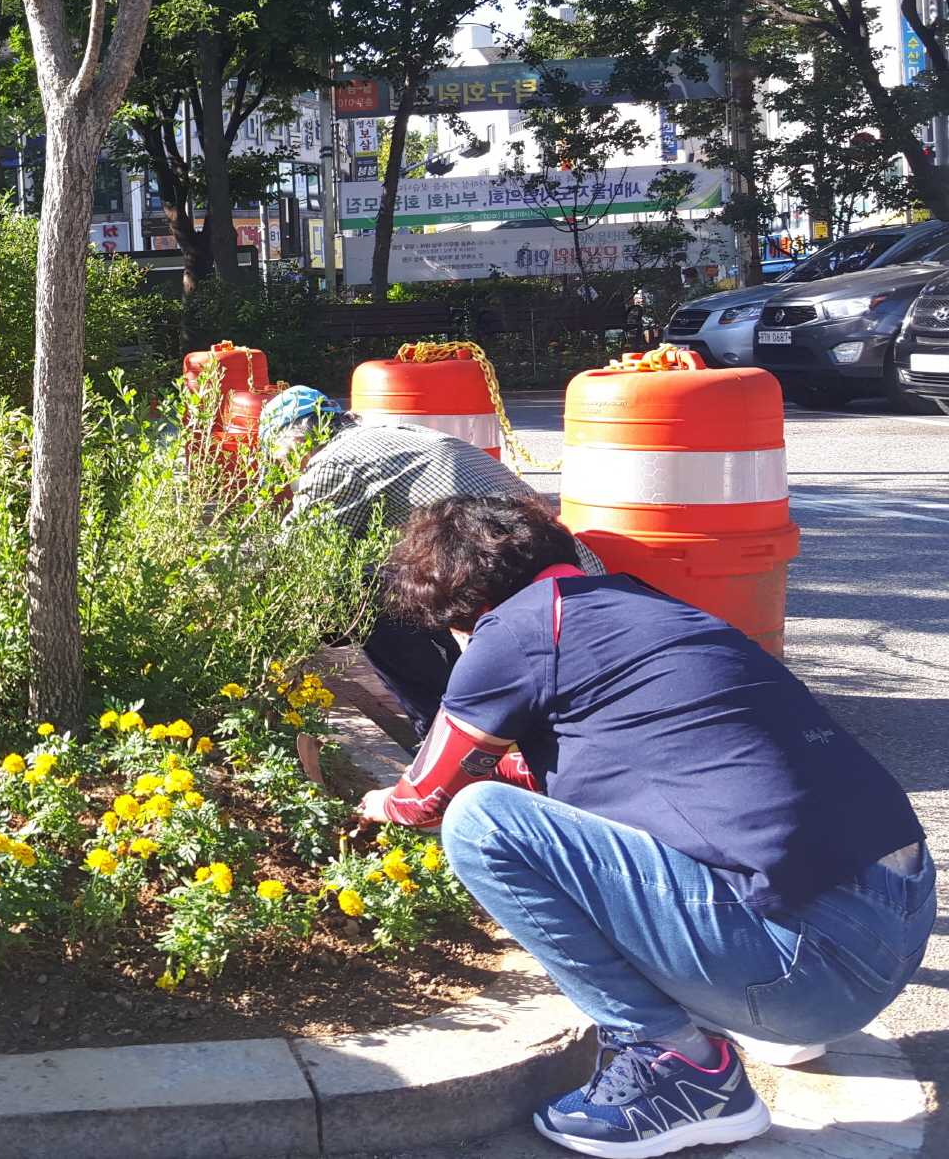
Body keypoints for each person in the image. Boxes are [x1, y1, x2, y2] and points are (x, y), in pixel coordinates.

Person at [359, 493, 933, 1158]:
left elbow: (426, 797)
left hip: (809, 967)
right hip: (892, 924)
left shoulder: (514, 629)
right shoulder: (644, 607)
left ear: (474, 599)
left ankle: (678, 1070)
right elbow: (619, 766)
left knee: (482, 825)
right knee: (567, 816)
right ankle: (760, 1015)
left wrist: (380, 803)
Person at [260, 385, 605, 741]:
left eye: (279, 460)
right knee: (401, 572)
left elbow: (300, 554)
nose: (284, 471)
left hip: (506, 589)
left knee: (362, 598)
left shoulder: (332, 463)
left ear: (296, 442)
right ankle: (473, 699)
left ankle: (439, 726)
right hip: (572, 573)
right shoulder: (394, 434)